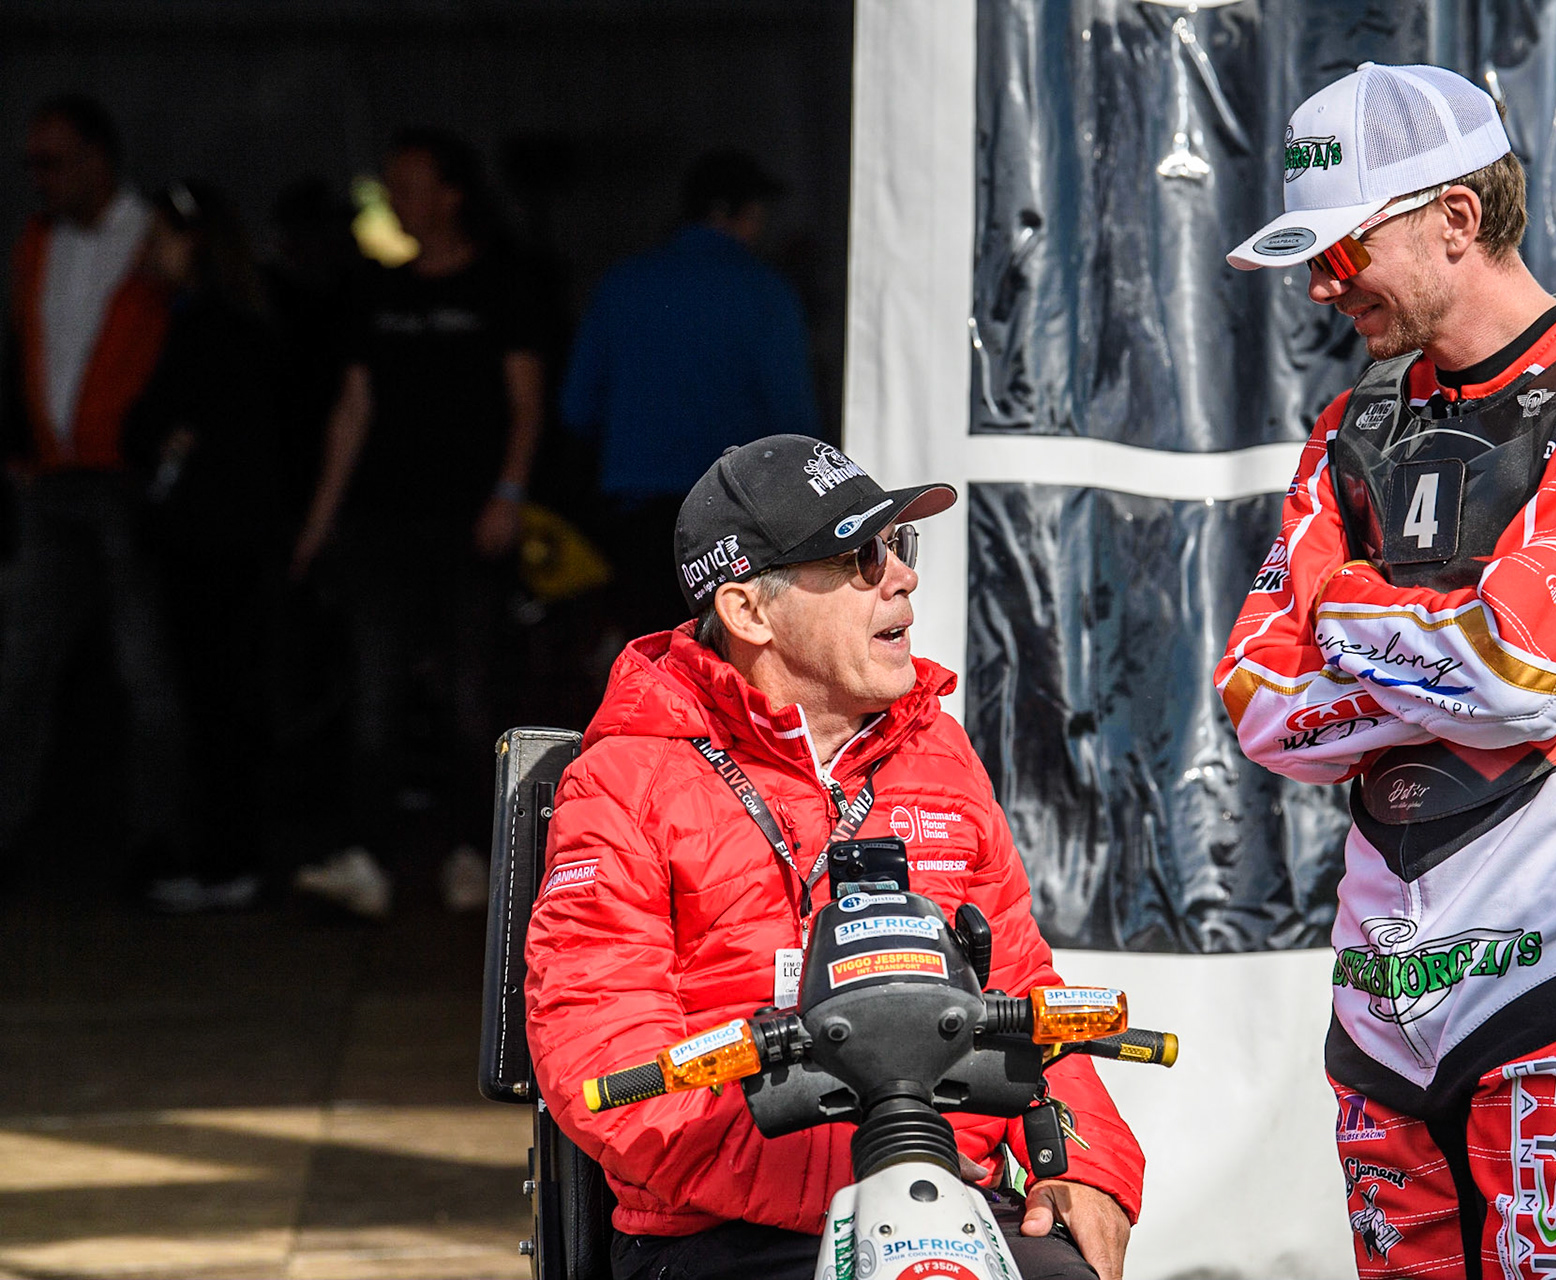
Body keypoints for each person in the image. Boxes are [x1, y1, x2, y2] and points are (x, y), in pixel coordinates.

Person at [1215, 63, 1556, 1279]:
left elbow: (1517, 660)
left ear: (1456, 219)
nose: (1319, 286)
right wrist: (1445, 657)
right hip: (1384, 1003)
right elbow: (1257, 700)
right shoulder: (1354, 424)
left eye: (1343, 249)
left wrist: (1346, 607)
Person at [523, 435, 1144, 1280]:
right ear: (749, 613)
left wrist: (1082, 1164)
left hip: (951, 1204)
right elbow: (603, 1051)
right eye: (861, 558)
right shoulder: (626, 780)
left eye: (898, 545)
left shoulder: (940, 753)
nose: (903, 577)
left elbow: (1026, 995)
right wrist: (862, 1178)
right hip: (725, 1230)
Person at [290, 128, 549, 917]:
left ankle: (474, 854)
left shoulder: (501, 285)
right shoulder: (377, 293)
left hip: (470, 523)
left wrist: (508, 493)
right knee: (374, 695)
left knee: (471, 697)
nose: (396, 200)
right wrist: (318, 524)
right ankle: (367, 859)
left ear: (451, 194)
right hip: (382, 524)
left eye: (407, 184)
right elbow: (352, 411)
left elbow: (526, 403)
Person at [0, 94, 189, 879]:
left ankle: (157, 839)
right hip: (51, 480)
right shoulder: (39, 242)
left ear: (97, 158)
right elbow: (26, 346)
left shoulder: (153, 235)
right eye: (31, 164)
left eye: (52, 161)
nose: (39, 178)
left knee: (146, 669)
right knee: (21, 662)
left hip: (124, 483)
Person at [559, 149, 817, 641]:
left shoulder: (621, 285)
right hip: (736, 521)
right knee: (726, 654)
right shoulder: (766, 293)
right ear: (733, 213)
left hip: (633, 515)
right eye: (756, 214)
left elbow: (576, 409)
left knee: (644, 651)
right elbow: (795, 429)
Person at [124, 179, 279, 912]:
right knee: (216, 698)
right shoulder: (196, 321)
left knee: (217, 701)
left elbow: (164, 426)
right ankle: (223, 854)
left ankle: (228, 859)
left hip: (214, 547)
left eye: (161, 237)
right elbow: (147, 428)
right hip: (217, 542)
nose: (150, 251)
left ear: (195, 243)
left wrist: (169, 439)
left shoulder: (216, 329)